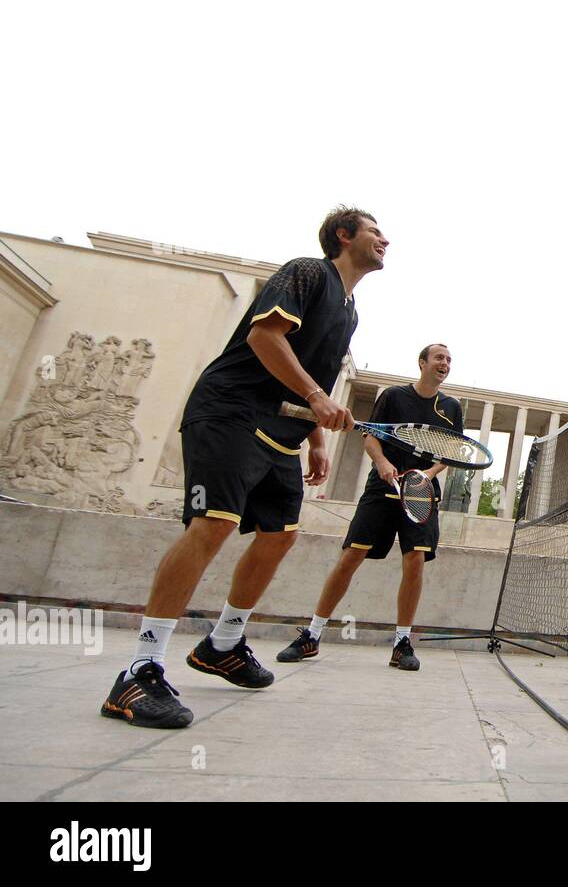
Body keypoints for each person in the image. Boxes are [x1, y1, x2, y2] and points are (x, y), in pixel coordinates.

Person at [100, 206, 386, 728]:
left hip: (282, 431)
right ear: (344, 236)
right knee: (214, 525)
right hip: (229, 412)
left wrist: (317, 437)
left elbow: (311, 377)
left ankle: (223, 643)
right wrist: (319, 401)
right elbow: (265, 339)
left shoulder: (350, 310)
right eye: (373, 230)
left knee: (280, 535)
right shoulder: (305, 272)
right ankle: (139, 670)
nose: (384, 238)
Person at [277, 344, 463, 670]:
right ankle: (312, 634)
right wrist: (381, 462)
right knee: (351, 555)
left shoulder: (451, 408)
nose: (445, 363)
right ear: (422, 363)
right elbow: (371, 436)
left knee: (415, 560)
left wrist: (426, 474)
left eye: (448, 360)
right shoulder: (392, 396)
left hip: (420, 493)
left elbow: (447, 454)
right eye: (439, 358)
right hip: (381, 488)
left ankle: (402, 643)